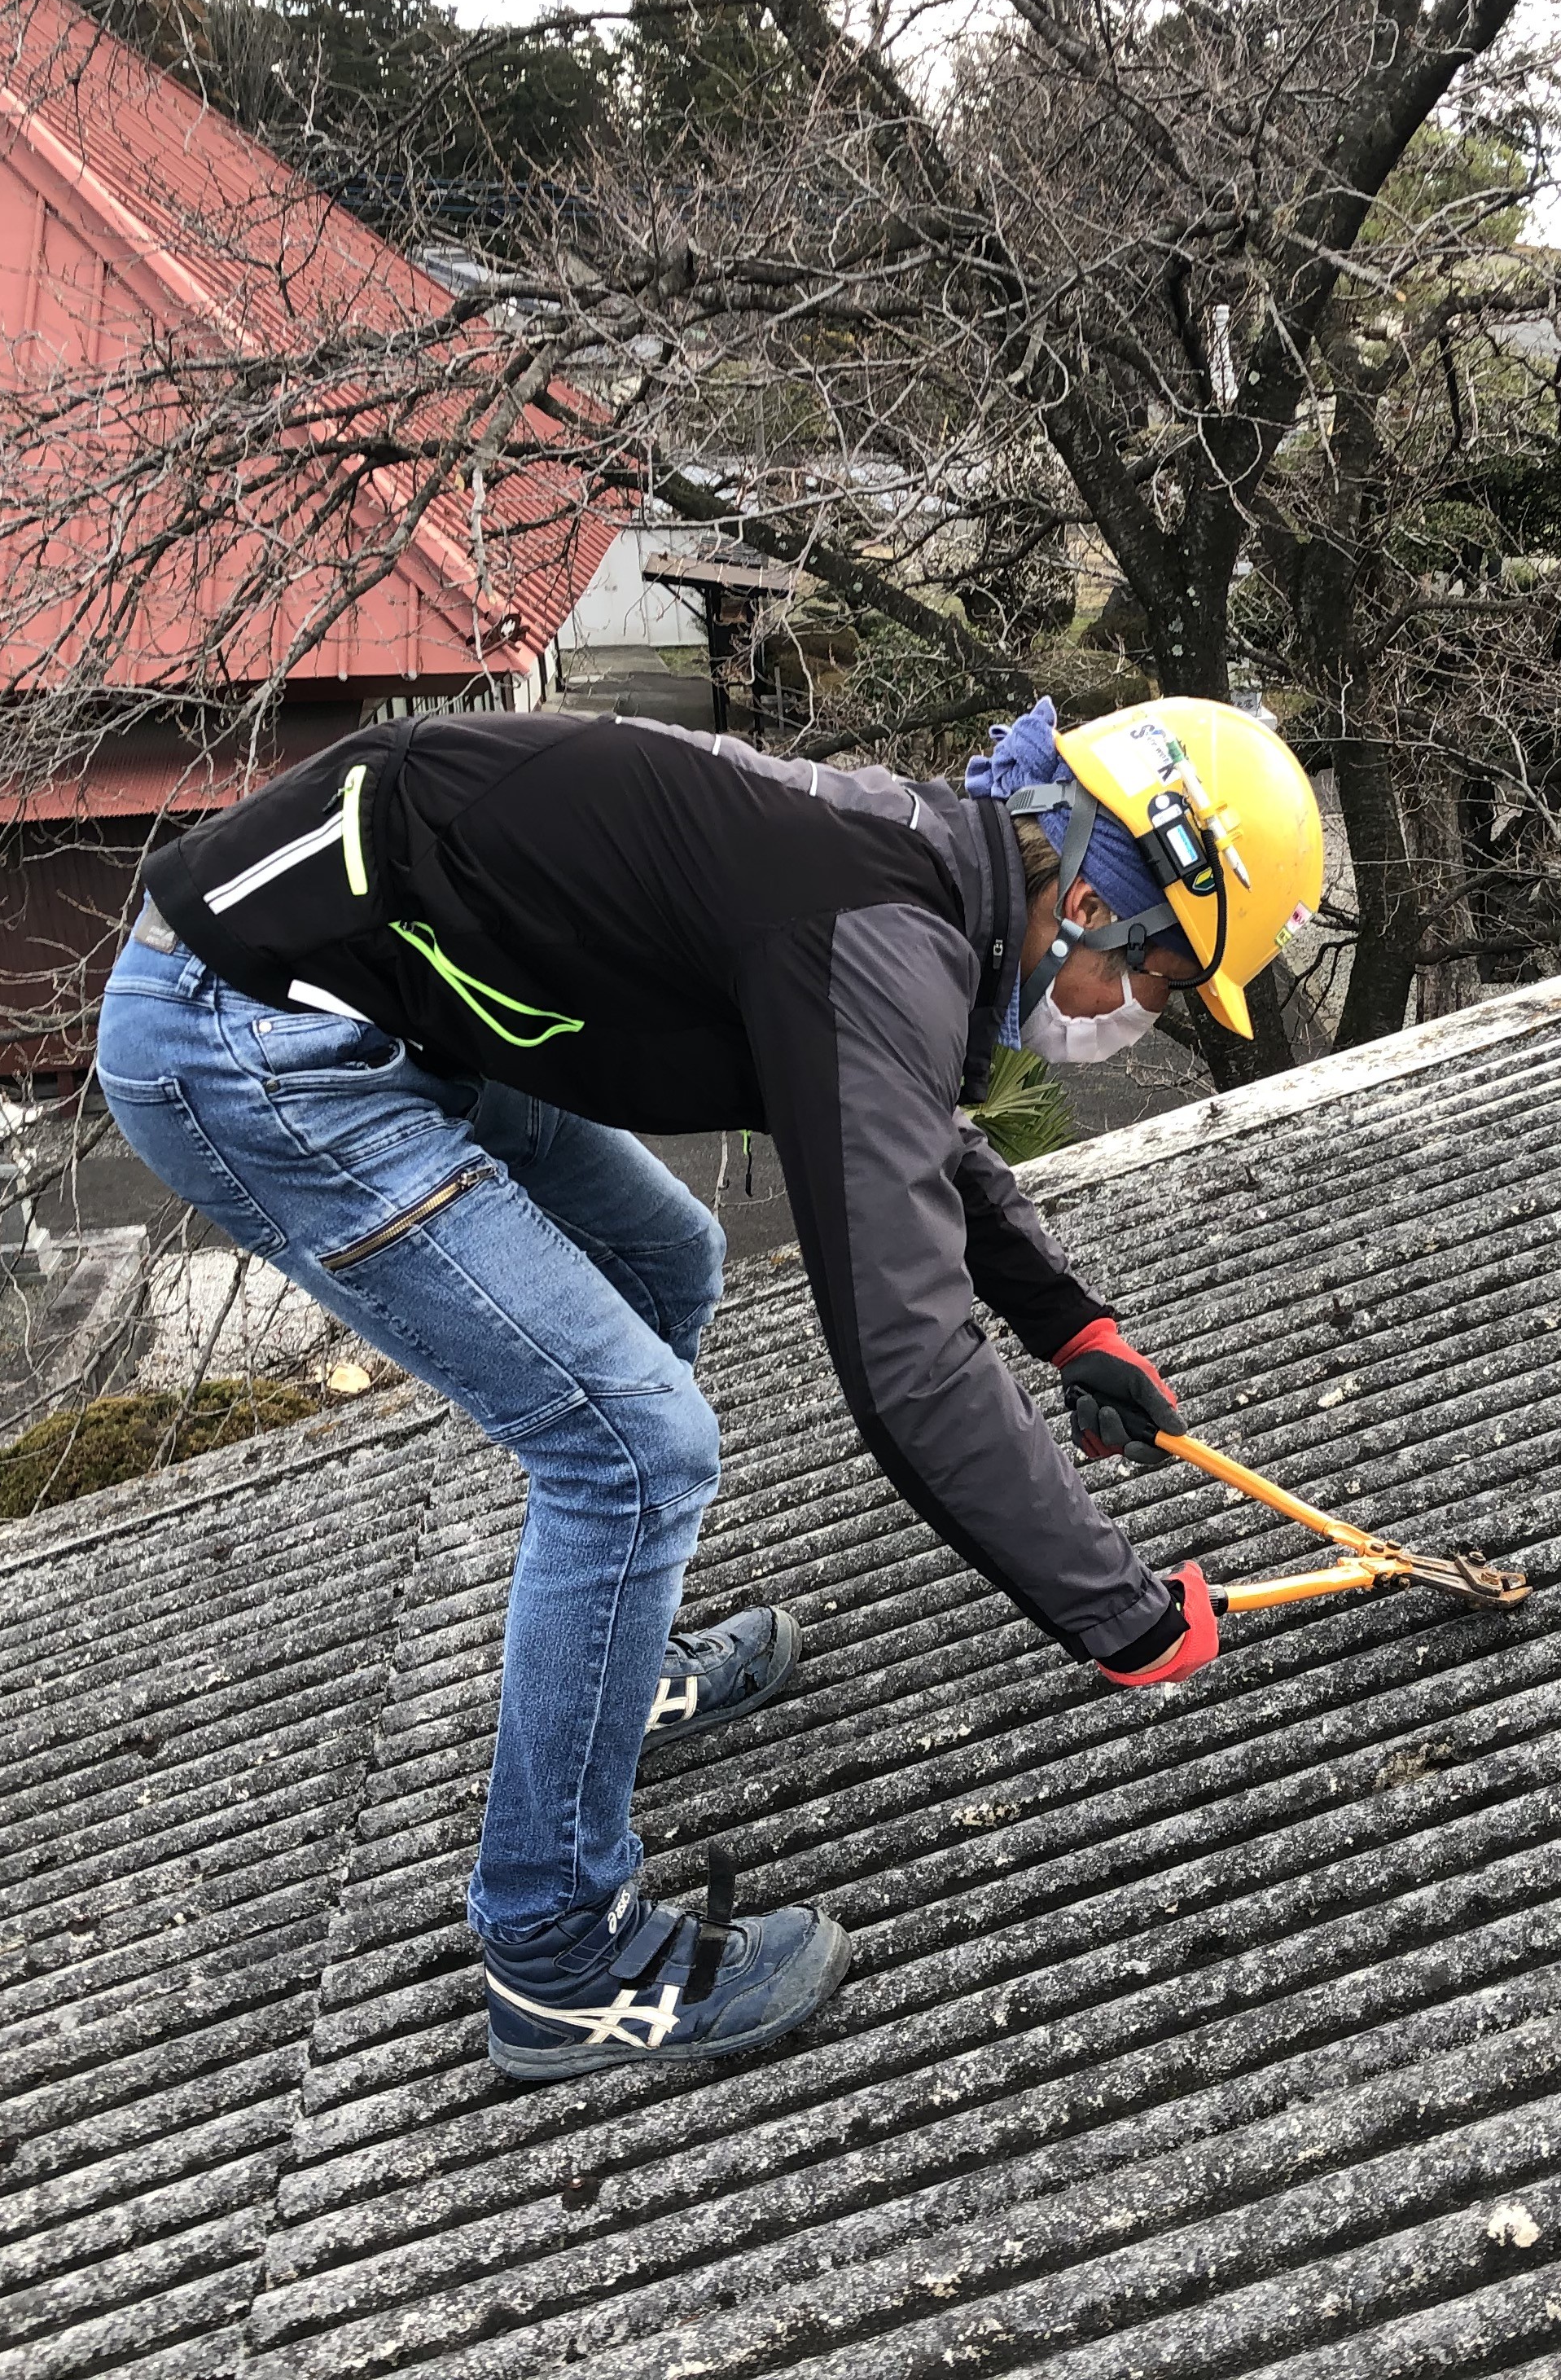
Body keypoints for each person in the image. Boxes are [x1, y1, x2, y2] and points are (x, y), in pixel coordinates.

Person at [93, 692, 1324, 2080]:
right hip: (253, 1034)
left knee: (664, 1252)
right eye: (1155, 986)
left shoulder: (922, 873)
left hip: (393, 992)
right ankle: (556, 1949)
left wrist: (1072, 1327)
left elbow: (893, 1131)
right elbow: (907, 1359)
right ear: (1101, 900)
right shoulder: (876, 924)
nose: (1130, 1021)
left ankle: (617, 1664)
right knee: (633, 1452)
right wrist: (1122, 1612)